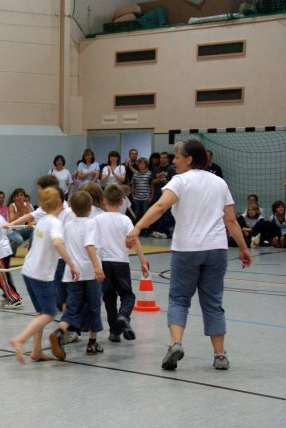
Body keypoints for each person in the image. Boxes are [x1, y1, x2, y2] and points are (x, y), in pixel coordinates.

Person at [126, 139, 252, 371]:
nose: (174, 161)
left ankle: (176, 343)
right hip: (216, 250)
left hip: (187, 249)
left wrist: (137, 227)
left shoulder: (180, 181)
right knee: (213, 302)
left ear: (189, 159)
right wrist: (243, 248)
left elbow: (160, 207)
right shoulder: (219, 183)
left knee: (179, 299)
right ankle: (220, 355)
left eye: (177, 157)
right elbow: (231, 220)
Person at [9, 187, 79, 363]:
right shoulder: (55, 222)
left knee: (41, 312)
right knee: (49, 313)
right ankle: (20, 339)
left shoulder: (42, 221)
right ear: (60, 203)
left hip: (28, 271)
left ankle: (36, 351)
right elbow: (57, 243)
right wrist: (72, 264)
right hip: (41, 274)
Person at [49, 191, 105, 361]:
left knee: (72, 307)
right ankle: (92, 343)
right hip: (89, 272)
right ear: (90, 207)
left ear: (72, 208)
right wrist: (97, 267)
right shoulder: (91, 223)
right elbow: (89, 245)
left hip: (73, 273)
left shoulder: (67, 226)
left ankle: (60, 331)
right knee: (94, 306)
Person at [95, 185, 149, 343]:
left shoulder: (97, 220)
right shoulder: (125, 220)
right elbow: (134, 240)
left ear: (104, 201)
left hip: (103, 262)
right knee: (127, 295)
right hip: (121, 263)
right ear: (121, 202)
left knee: (109, 298)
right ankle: (124, 316)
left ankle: (114, 332)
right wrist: (143, 262)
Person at [131, 157, 154, 234]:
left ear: (146, 165)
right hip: (137, 198)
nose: (140, 166)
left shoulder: (149, 174)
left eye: (142, 164)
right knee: (138, 214)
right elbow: (133, 186)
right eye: (139, 164)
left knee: (146, 214)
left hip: (146, 198)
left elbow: (152, 186)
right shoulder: (135, 174)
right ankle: (139, 230)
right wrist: (133, 195)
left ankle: (146, 230)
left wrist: (151, 196)